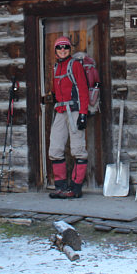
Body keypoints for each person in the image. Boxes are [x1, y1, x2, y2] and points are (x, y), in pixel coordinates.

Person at [48, 35, 89, 199]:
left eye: (65, 47)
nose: (63, 50)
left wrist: (83, 114)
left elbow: (83, 90)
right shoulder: (56, 68)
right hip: (60, 111)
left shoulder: (76, 65)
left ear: (69, 49)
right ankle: (61, 187)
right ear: (56, 50)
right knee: (55, 149)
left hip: (74, 110)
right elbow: (55, 91)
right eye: (59, 47)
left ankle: (75, 188)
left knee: (78, 149)